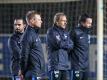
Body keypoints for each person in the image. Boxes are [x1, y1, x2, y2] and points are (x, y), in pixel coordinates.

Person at [19, 10, 46, 80]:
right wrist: (22, 71)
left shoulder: (34, 34)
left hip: (37, 72)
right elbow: (24, 56)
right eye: (39, 19)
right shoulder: (27, 36)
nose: (41, 21)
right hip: (32, 73)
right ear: (32, 21)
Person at [46, 12, 73, 80]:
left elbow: (71, 45)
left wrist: (63, 44)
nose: (65, 22)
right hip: (55, 65)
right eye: (63, 21)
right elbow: (58, 44)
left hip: (65, 66)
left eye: (66, 21)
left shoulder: (66, 32)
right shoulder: (51, 31)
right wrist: (65, 44)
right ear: (57, 22)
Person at [69, 13, 92, 80]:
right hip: (77, 66)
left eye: (91, 23)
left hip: (86, 67)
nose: (90, 25)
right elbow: (68, 48)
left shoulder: (87, 33)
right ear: (82, 22)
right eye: (88, 23)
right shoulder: (74, 32)